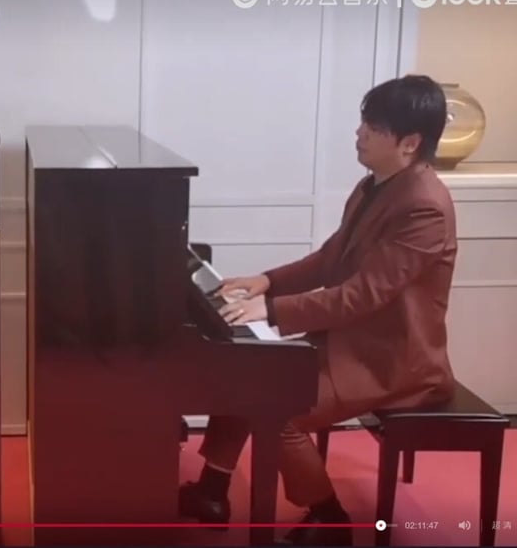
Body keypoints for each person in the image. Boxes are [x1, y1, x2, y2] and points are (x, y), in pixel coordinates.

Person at [178, 75, 458, 546]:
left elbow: (362, 295)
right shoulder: (375, 185)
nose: (359, 133)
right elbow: (331, 258)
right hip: (351, 341)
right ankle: (211, 491)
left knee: (279, 409)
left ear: (409, 143)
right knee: (244, 370)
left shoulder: (424, 208)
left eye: (373, 127)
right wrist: (268, 281)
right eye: (363, 122)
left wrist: (270, 309)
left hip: (392, 360)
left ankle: (329, 520)